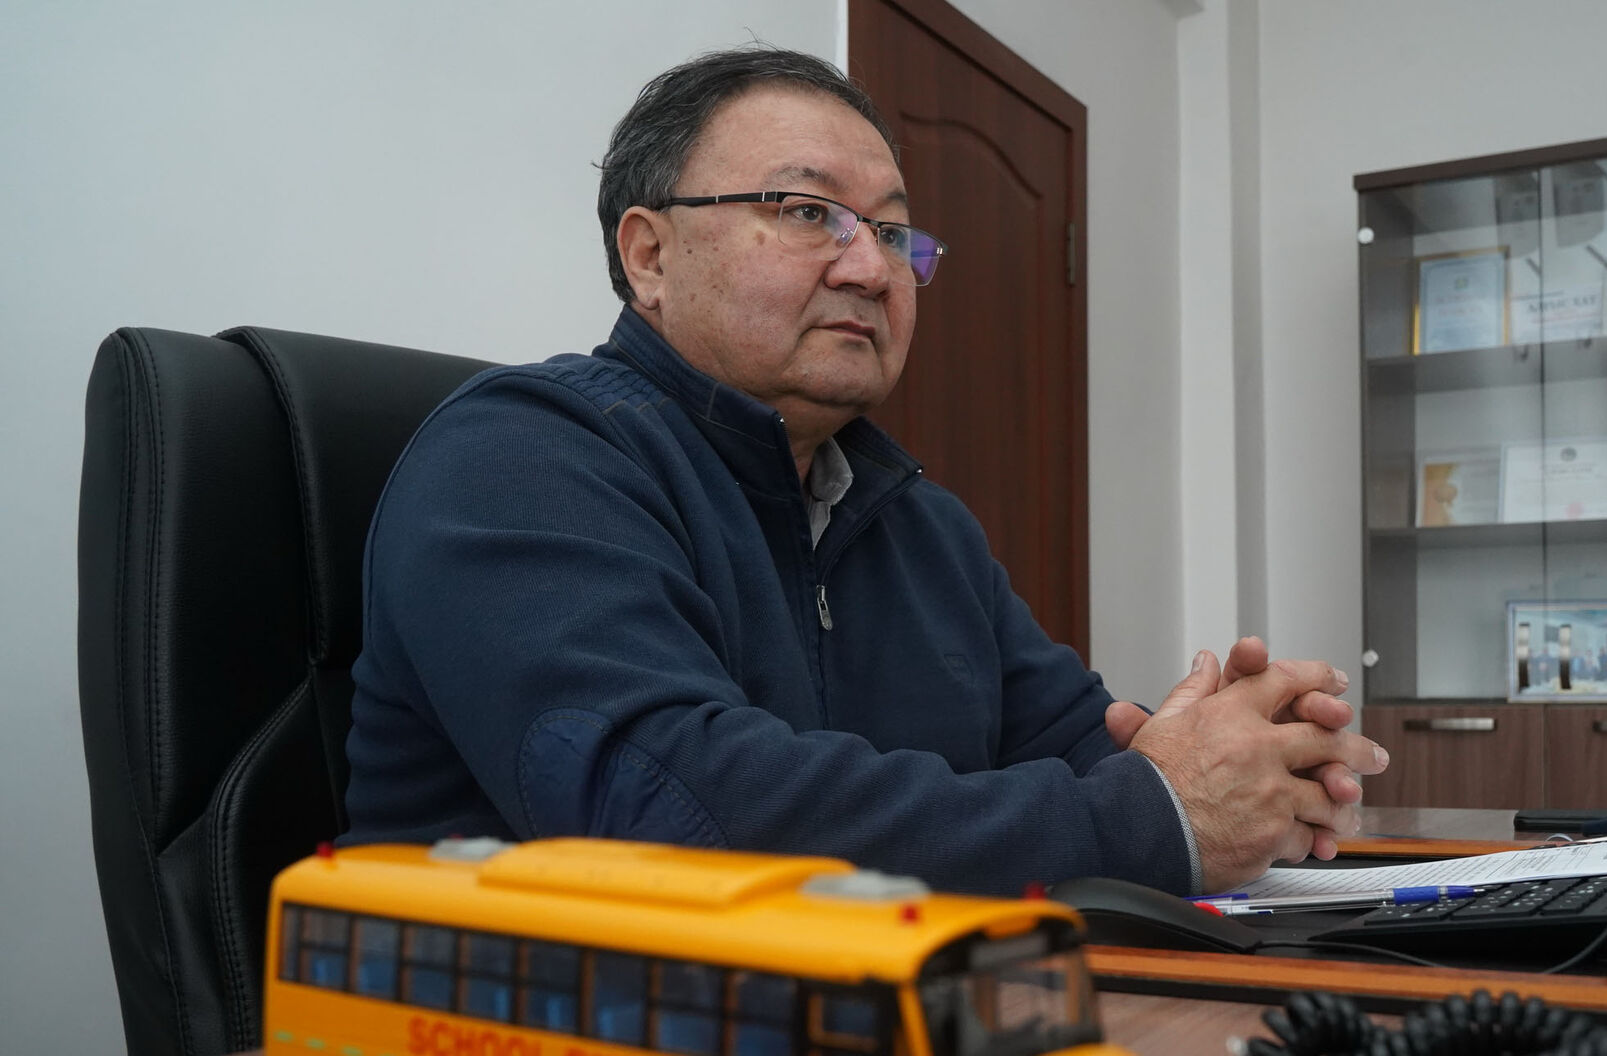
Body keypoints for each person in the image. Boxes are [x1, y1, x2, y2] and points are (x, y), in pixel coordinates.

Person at [342, 46, 1388, 897]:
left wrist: (1241, 760)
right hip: (535, 1055)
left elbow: (1083, 752)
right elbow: (673, 812)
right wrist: (1159, 810)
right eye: (808, 212)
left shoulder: (919, 524)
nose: (869, 267)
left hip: (868, 1031)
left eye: (892, 231)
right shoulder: (520, 457)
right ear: (649, 255)